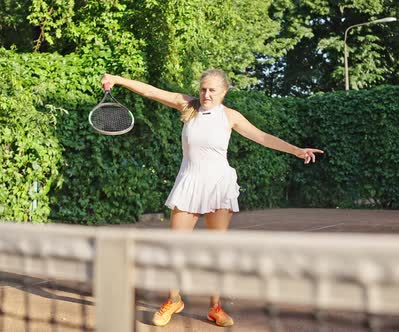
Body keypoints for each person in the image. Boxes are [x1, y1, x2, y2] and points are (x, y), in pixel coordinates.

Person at [100, 70, 323, 327]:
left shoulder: (230, 116)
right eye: (203, 89)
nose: (206, 94)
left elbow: (263, 137)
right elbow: (151, 91)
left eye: (212, 90)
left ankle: (215, 307)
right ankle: (174, 300)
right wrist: (118, 80)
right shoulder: (188, 106)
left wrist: (297, 151)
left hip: (219, 185)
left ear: (224, 92)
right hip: (189, 183)